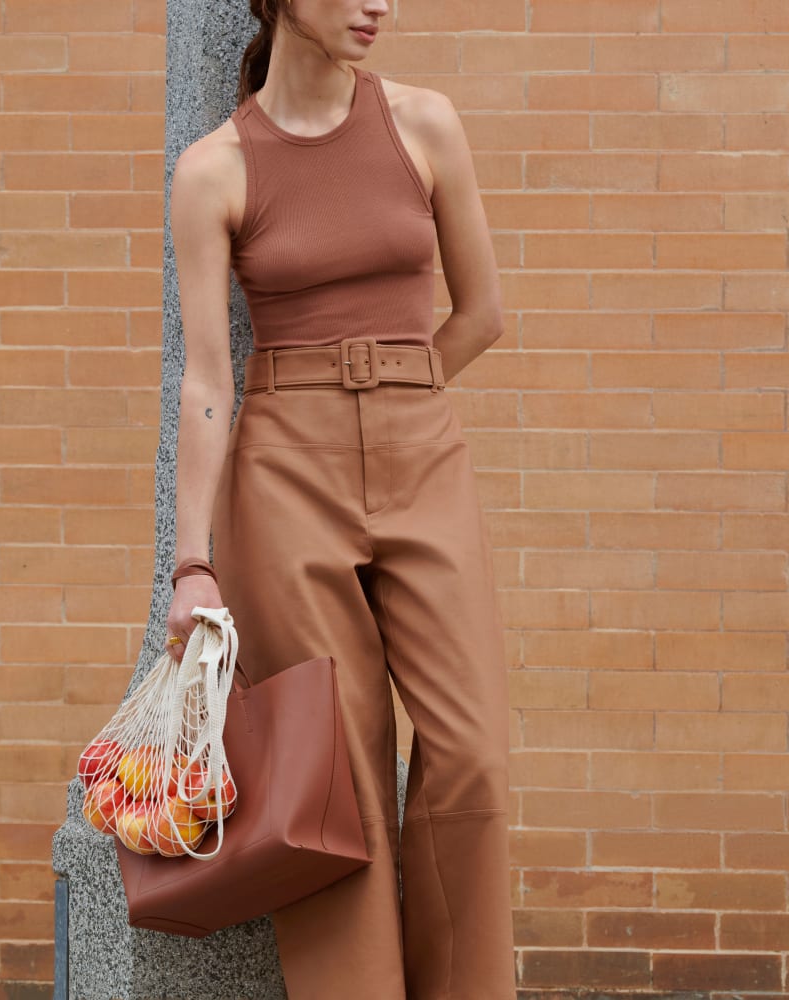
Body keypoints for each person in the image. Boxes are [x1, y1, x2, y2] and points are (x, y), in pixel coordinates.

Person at [163, 1, 516, 997]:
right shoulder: (214, 169)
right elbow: (205, 381)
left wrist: (394, 396)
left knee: (473, 754)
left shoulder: (422, 122)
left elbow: (482, 314)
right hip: (285, 472)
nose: (379, 5)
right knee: (336, 774)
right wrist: (192, 566)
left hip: (421, 455)